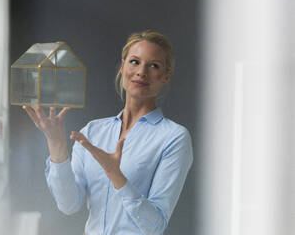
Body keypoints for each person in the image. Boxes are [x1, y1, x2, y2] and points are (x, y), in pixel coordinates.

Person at [23, 30, 193, 235]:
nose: (141, 72)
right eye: (134, 62)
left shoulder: (174, 138)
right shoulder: (93, 132)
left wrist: (116, 174)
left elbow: (155, 225)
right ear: (122, 67)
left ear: (166, 76)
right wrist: (56, 145)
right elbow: (68, 204)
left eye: (154, 65)